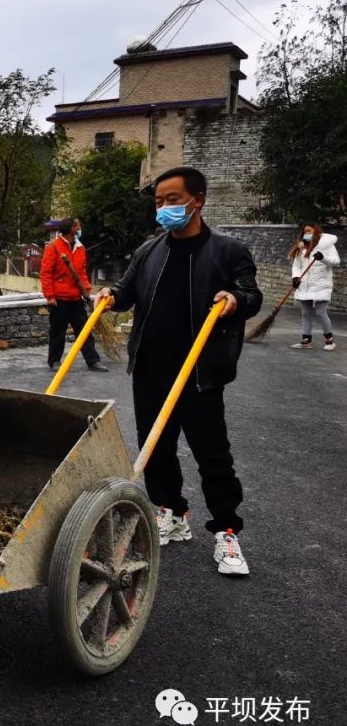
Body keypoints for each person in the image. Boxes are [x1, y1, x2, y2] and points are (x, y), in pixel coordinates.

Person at [96, 166, 262, 576]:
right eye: (159, 201)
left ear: (197, 200)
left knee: (212, 454)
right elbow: (127, 293)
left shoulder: (228, 251)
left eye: (172, 199)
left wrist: (235, 300)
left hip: (199, 373)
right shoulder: (148, 251)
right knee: (156, 447)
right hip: (151, 368)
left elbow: (252, 294)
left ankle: (226, 531)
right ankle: (170, 512)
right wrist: (109, 296)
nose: (164, 208)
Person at [40, 218, 109, 372]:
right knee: (58, 331)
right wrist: (50, 296)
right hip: (59, 299)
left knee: (84, 330)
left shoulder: (80, 248)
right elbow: (46, 273)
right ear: (71, 229)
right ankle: (55, 361)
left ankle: (93, 361)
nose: (79, 228)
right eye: (77, 226)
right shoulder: (54, 247)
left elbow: (82, 272)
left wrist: (87, 289)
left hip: (76, 297)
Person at [288, 222, 339, 351]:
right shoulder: (301, 247)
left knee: (321, 312)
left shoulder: (327, 246)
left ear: (316, 232)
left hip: (322, 284)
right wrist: (295, 277)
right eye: (305, 232)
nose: (307, 234)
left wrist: (322, 257)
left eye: (309, 231)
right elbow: (297, 265)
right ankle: (306, 340)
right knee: (305, 313)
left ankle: (329, 340)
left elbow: (336, 261)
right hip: (305, 284)